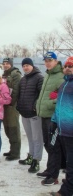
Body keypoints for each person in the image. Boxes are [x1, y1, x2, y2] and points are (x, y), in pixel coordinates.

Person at [36, 52, 65, 183]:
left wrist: (48, 103)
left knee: (54, 146)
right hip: (44, 115)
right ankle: (50, 168)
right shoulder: (47, 74)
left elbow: (63, 98)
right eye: (46, 60)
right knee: (47, 144)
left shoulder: (61, 76)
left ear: (56, 61)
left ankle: (53, 175)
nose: (47, 62)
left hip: (53, 117)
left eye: (50, 60)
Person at [49, 56, 73, 196]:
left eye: (71, 66)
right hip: (63, 129)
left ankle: (66, 191)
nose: (68, 68)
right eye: (66, 66)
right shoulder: (64, 84)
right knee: (68, 162)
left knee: (71, 163)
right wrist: (53, 121)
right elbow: (59, 106)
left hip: (71, 131)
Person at [17, 58, 44, 173]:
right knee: (30, 137)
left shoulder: (39, 77)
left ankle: (36, 160)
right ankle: (31, 156)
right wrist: (18, 105)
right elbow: (19, 94)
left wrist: (35, 105)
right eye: (24, 66)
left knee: (37, 137)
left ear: (32, 66)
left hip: (34, 113)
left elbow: (41, 95)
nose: (25, 67)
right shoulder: (23, 79)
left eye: (27, 65)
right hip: (24, 112)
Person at [2, 57, 22, 161]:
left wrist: (10, 102)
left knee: (13, 128)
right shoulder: (3, 74)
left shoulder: (16, 74)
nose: (5, 65)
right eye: (4, 63)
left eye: (7, 63)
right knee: (7, 128)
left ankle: (16, 153)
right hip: (4, 105)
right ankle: (12, 149)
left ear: (11, 64)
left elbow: (16, 90)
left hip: (12, 106)